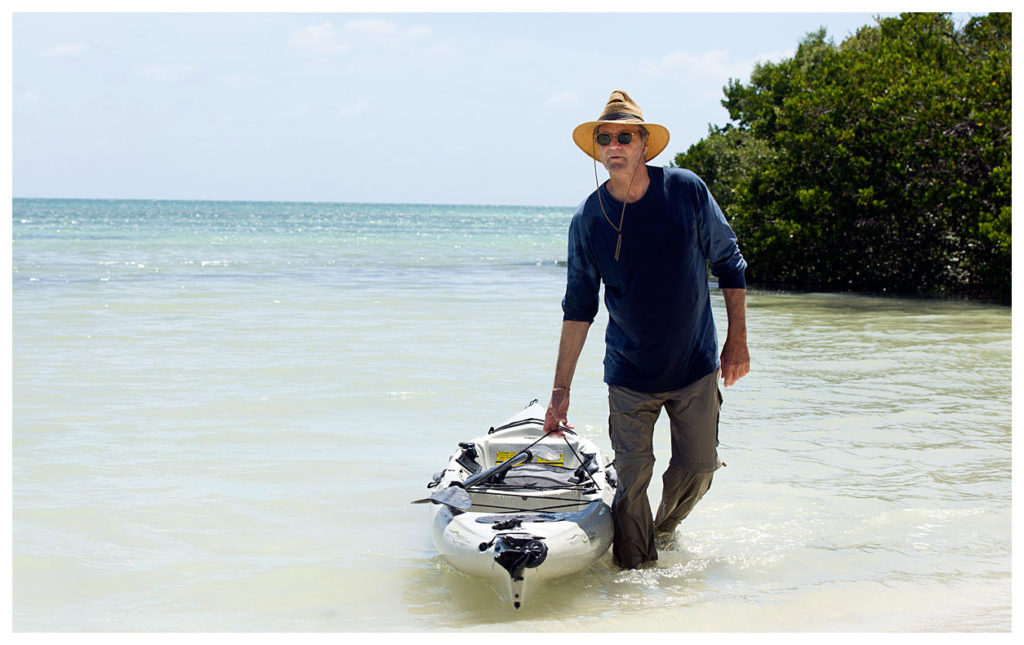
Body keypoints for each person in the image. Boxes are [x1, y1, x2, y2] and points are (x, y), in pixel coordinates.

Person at [543, 90, 749, 569]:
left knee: (698, 470)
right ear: (598, 147)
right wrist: (559, 392)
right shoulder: (588, 219)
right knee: (633, 477)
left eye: (624, 136)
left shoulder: (686, 191)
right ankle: (634, 583)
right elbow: (578, 308)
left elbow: (730, 262)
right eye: (605, 137)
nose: (614, 144)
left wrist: (736, 341)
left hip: (695, 367)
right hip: (629, 375)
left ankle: (662, 531)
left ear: (642, 144)